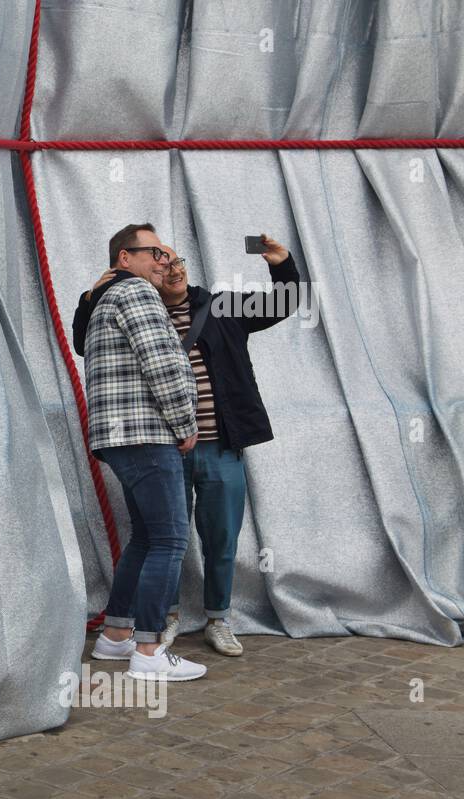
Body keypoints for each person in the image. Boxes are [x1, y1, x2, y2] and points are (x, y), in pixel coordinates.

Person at [72, 235, 299, 656]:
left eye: (179, 262)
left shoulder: (220, 307)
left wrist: (281, 263)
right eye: (164, 262)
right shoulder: (138, 305)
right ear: (152, 272)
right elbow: (85, 343)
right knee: (165, 537)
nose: (173, 269)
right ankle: (167, 618)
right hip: (163, 444)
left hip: (217, 445)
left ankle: (218, 618)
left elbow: (283, 304)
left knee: (220, 537)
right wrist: (90, 297)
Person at [81, 223, 206, 681]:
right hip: (146, 435)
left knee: (147, 538)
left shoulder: (108, 298)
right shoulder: (135, 292)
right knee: (171, 539)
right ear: (124, 259)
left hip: (121, 437)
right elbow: (163, 362)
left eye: (165, 254)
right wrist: (185, 423)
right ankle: (150, 653)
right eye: (152, 251)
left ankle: (116, 638)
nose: (163, 261)